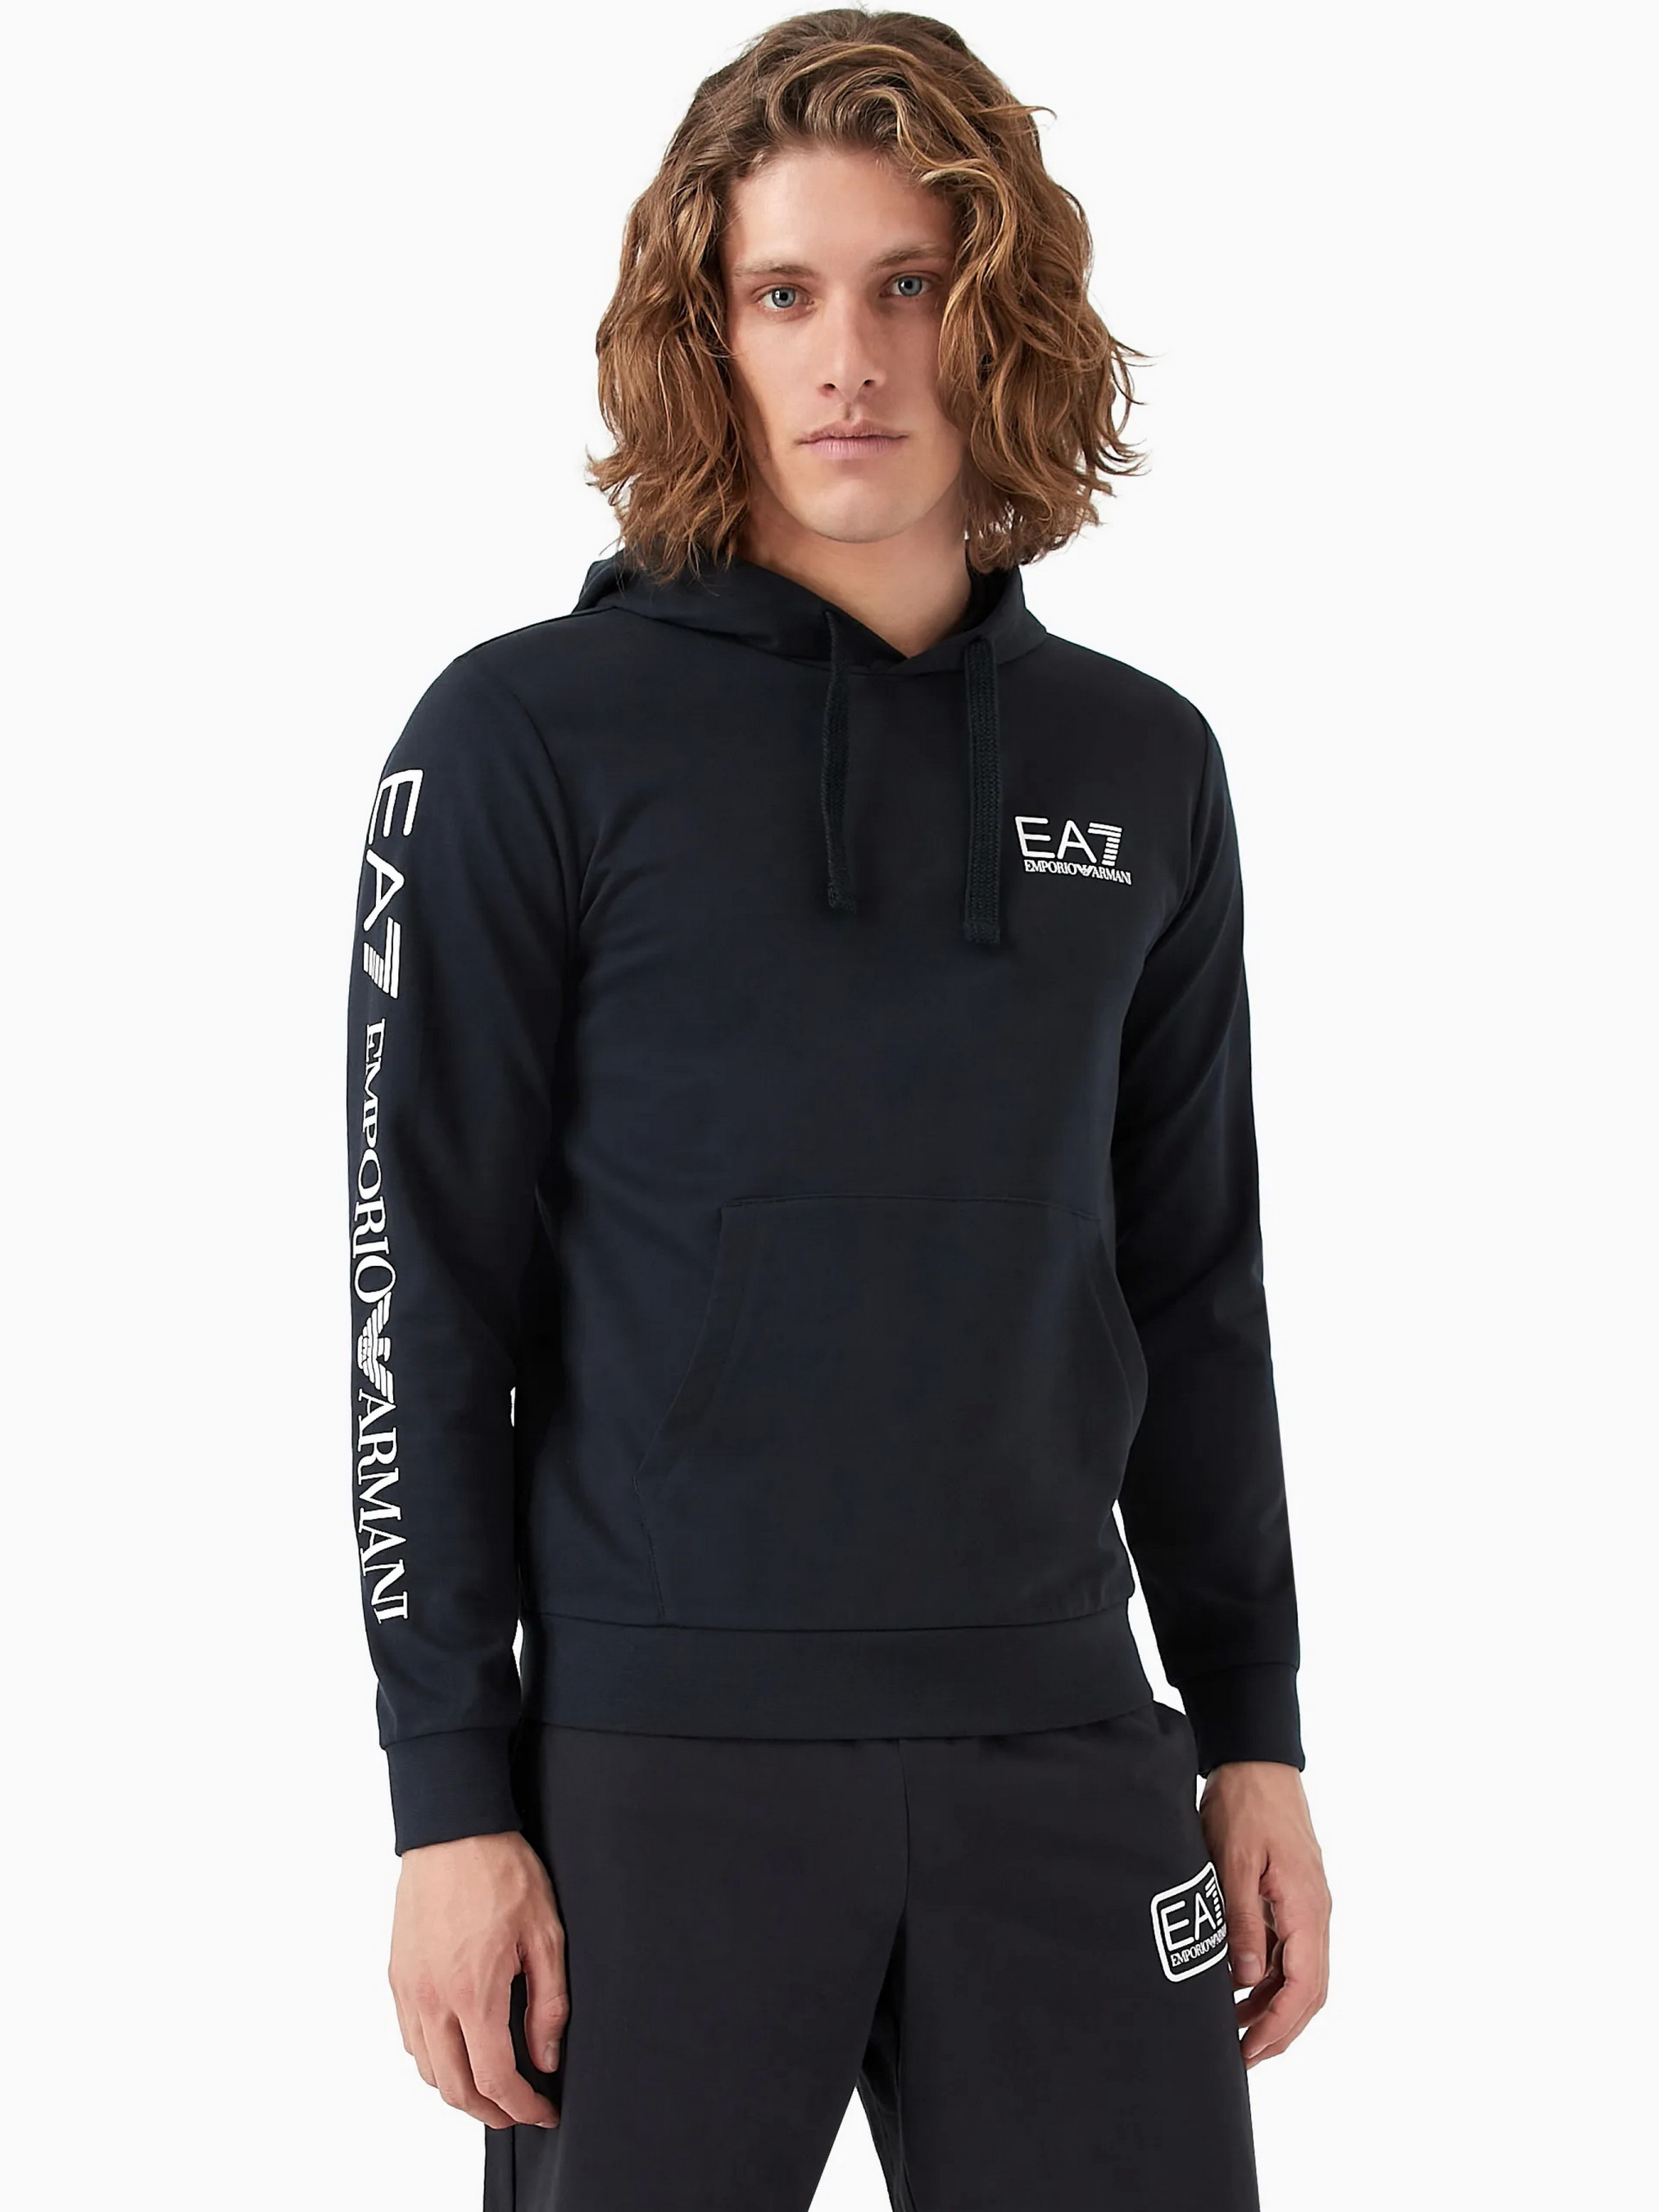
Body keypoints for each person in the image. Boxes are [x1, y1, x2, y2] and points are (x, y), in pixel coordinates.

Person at [344, 11, 1330, 2207]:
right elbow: (421, 1288)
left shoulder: (1139, 764)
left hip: (1065, 1748)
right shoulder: (521, 742)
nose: (850, 360)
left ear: (1004, 321)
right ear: (704, 331)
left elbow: (1194, 1280)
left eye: (910, 286)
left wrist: (1251, 1726)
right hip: (653, 1770)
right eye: (782, 292)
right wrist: (447, 1797)